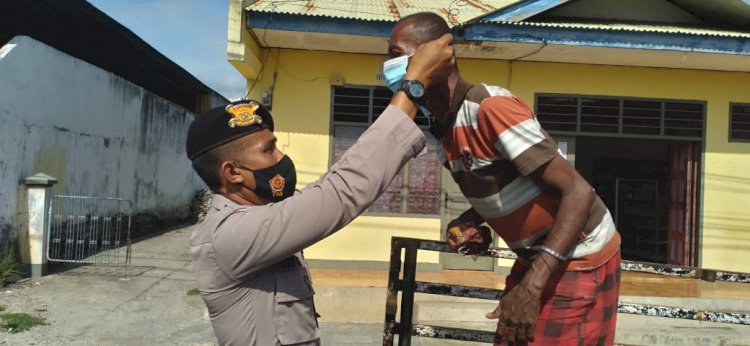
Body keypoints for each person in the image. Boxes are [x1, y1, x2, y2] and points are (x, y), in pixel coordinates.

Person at [185, 34, 454, 345]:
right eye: (268, 150)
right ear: (232, 173)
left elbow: (332, 190)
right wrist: (413, 88)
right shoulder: (228, 236)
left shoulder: (262, 217)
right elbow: (341, 192)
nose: (281, 157)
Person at [387, 13, 621, 346]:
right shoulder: (444, 129)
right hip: (538, 257)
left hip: (580, 254)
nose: (388, 66)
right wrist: (467, 223)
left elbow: (578, 192)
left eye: (397, 55)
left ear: (438, 56)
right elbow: (503, 190)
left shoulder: (489, 109)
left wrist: (532, 286)